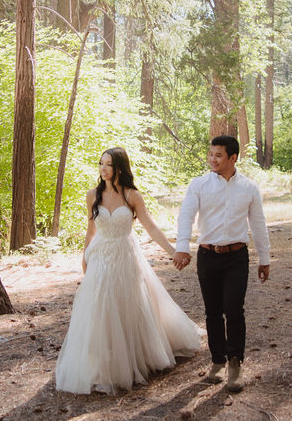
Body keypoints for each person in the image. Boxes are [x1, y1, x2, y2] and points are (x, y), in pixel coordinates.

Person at [55, 147, 200, 394]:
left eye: (108, 164)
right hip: (100, 256)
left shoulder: (133, 196)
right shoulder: (93, 195)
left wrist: (173, 251)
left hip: (125, 254)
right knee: (100, 307)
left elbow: (151, 228)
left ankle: (134, 357)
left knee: (127, 304)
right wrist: (84, 256)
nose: (103, 168)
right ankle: (102, 365)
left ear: (119, 167)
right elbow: (91, 230)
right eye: (101, 163)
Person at [174, 135, 269, 393]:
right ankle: (217, 361)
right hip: (207, 256)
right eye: (210, 154)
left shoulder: (249, 188)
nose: (212, 159)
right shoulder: (199, 185)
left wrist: (265, 258)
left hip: (236, 257)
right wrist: (182, 246)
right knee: (213, 312)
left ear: (233, 157)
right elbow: (186, 216)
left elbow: (258, 224)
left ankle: (235, 363)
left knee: (234, 309)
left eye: (218, 155)